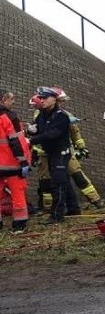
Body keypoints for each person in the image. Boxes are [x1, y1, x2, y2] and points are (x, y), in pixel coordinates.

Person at [27, 86, 75, 224]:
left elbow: (51, 134)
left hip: (60, 152)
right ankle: (74, 207)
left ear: (54, 99)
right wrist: (31, 131)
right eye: (40, 98)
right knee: (63, 180)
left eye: (45, 98)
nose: (41, 101)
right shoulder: (42, 115)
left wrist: (32, 140)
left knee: (57, 182)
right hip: (51, 152)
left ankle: (56, 215)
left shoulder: (61, 116)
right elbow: (39, 130)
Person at [54, 88, 105, 209]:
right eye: (61, 101)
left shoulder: (67, 115)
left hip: (66, 151)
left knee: (78, 175)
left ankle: (96, 200)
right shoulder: (41, 115)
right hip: (49, 154)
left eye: (63, 101)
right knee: (49, 182)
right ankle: (51, 208)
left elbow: (75, 133)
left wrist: (81, 147)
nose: (63, 103)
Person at [0, 90, 31, 233]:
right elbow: (16, 142)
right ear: (3, 100)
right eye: (11, 99)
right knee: (17, 194)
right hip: (11, 165)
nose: (13, 102)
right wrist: (24, 161)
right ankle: (20, 224)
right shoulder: (9, 117)